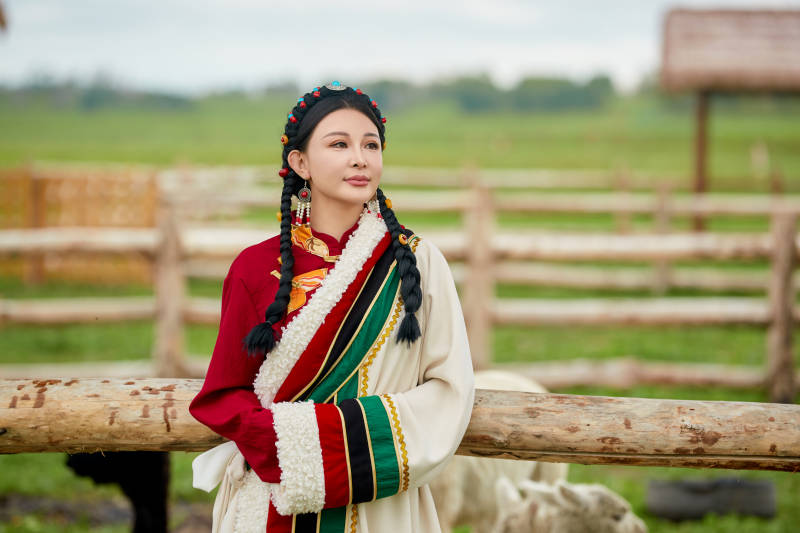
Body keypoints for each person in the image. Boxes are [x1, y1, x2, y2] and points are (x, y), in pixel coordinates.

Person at [189, 81, 475, 533]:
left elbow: (450, 389)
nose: (360, 158)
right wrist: (280, 447)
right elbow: (224, 394)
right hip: (272, 500)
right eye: (339, 144)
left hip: (382, 504)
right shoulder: (255, 268)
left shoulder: (417, 263)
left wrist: (317, 444)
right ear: (299, 162)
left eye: (371, 145)